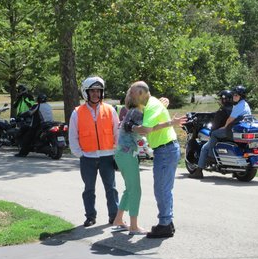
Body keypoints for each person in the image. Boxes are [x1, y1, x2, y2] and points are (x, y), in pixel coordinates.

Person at [112, 90, 176, 235]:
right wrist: (163, 109)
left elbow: (147, 127)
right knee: (135, 190)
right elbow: (149, 128)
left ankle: (119, 219)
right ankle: (133, 227)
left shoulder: (134, 111)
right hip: (127, 153)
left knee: (129, 189)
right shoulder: (137, 112)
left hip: (124, 153)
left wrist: (161, 108)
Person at [128, 81, 185, 238]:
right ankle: (167, 221)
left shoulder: (152, 105)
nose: (130, 95)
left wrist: (132, 127)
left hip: (165, 150)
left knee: (161, 189)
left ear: (141, 93)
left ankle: (165, 224)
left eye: (132, 93)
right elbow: (153, 126)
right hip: (167, 149)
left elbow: (146, 129)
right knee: (165, 188)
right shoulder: (152, 104)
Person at [69, 76, 119, 227]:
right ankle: (90, 216)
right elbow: (73, 135)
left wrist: (116, 152)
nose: (96, 94)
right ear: (86, 93)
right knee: (89, 189)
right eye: (93, 91)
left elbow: (117, 132)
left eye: (98, 91)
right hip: (88, 158)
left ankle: (114, 216)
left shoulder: (110, 110)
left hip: (107, 156)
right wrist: (79, 153)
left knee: (111, 188)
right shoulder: (77, 113)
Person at [189, 89, 234, 179]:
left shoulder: (222, 110)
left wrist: (212, 129)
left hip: (223, 134)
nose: (220, 100)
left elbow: (215, 124)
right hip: (232, 133)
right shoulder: (235, 109)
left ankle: (199, 170)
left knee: (204, 148)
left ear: (224, 99)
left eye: (221, 98)